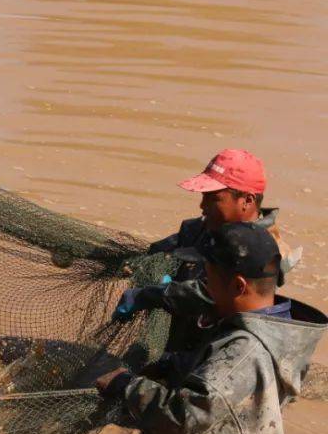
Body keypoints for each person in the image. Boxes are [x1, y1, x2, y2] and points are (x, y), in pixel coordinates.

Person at [96, 222, 325, 434]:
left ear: (238, 284)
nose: (201, 283)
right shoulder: (273, 324)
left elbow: (188, 421)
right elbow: (224, 388)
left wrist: (125, 386)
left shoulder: (244, 356)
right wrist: (177, 364)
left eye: (208, 275)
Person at [112, 149, 298, 352]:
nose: (202, 205)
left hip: (222, 349)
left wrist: (150, 295)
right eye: (203, 196)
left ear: (247, 201)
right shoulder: (203, 227)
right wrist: (143, 263)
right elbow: (164, 250)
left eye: (213, 198)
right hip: (181, 338)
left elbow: (211, 293)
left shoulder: (265, 250)